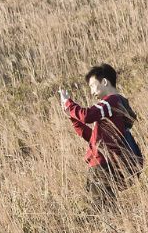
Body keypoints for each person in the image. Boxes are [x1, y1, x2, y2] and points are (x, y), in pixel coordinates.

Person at [59, 63, 141, 207]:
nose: (91, 92)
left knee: (101, 210)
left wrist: (68, 104)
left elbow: (87, 116)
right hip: (102, 164)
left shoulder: (112, 101)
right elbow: (92, 137)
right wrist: (71, 117)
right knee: (102, 209)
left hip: (103, 165)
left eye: (92, 85)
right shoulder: (114, 107)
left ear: (104, 82)